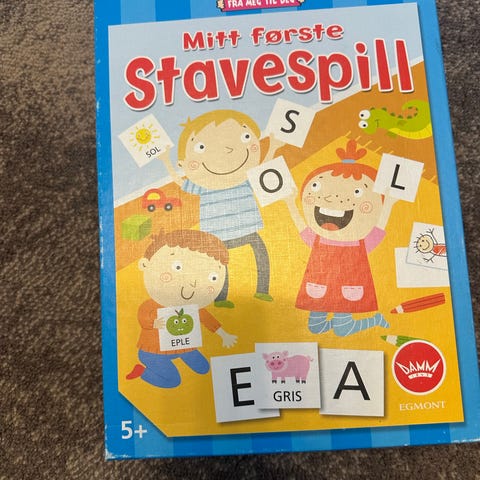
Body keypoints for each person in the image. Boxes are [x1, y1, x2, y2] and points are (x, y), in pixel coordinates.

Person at [160, 109, 284, 308]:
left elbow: (264, 172)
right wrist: (166, 161)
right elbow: (181, 183)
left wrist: (273, 148)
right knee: (219, 263)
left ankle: (262, 290)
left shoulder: (245, 179)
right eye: (201, 147)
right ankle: (221, 298)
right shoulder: (203, 185)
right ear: (184, 163)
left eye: (244, 137)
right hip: (218, 235)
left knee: (258, 253)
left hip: (246, 228)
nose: (227, 150)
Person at [284, 139, 398, 336]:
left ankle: (375, 320)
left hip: (349, 289)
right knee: (315, 328)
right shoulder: (317, 239)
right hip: (319, 287)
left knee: (343, 330)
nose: (332, 199)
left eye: (357, 192)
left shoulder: (361, 242)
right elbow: (301, 225)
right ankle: (365, 322)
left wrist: (389, 203)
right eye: (317, 187)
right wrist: (289, 202)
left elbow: (378, 228)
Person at [126, 229, 237, 388]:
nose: (193, 283)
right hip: (154, 351)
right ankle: (142, 372)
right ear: (145, 264)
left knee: (204, 369)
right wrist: (153, 322)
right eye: (177, 267)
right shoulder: (152, 304)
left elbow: (208, 320)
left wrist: (224, 335)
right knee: (173, 381)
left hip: (183, 347)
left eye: (212, 277)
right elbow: (143, 315)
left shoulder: (193, 307)